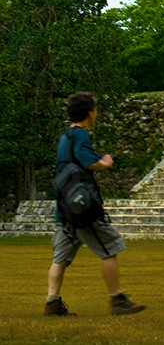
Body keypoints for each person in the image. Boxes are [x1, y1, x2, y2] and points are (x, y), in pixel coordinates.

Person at [44, 91, 146, 317]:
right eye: (95, 110)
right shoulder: (80, 135)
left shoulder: (64, 137)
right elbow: (88, 163)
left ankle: (52, 302)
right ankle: (117, 299)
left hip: (65, 209)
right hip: (82, 210)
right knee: (110, 249)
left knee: (60, 258)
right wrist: (105, 162)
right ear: (90, 113)